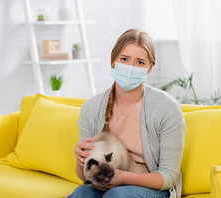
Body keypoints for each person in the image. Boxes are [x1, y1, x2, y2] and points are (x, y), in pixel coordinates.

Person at [68, 28, 185, 198]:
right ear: (113, 61)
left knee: (117, 195)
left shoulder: (167, 108)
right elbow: (83, 176)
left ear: (150, 67)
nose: (130, 67)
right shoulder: (91, 108)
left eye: (139, 62)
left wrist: (124, 179)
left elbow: (168, 176)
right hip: (106, 180)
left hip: (151, 186)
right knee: (80, 195)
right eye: (124, 59)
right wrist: (81, 161)